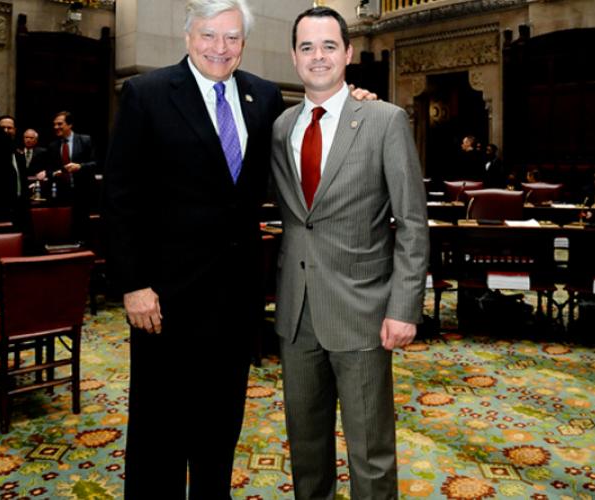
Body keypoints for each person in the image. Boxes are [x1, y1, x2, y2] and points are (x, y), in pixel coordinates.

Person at [104, 1, 286, 497]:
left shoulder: (263, 98)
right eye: (209, 35)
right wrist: (134, 284)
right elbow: (121, 198)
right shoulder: (147, 93)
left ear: (243, 43)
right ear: (188, 37)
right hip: (163, 299)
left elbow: (305, 136)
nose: (220, 48)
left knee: (219, 424)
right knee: (158, 431)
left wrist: (354, 100)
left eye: (231, 38)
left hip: (234, 299)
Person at [270, 7, 429, 499]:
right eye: (307, 47)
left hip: (363, 311)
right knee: (306, 450)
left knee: (371, 454)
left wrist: (404, 308)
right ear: (294, 56)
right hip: (296, 314)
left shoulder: (384, 120)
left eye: (328, 46)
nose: (318, 57)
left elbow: (412, 223)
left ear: (349, 53)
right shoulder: (280, 128)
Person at [45, 111, 97, 241]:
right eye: (54, 124)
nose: (56, 127)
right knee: (64, 229)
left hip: (83, 192)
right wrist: (53, 173)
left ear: (70, 125)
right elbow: (49, 170)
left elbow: (96, 163)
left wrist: (80, 167)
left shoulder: (85, 140)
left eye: (60, 124)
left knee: (83, 230)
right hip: (62, 194)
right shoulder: (53, 146)